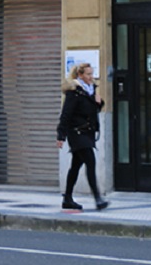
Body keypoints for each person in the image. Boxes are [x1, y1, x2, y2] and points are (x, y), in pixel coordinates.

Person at [56, 62, 109, 212]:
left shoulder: (90, 91)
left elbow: (91, 111)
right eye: (88, 74)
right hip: (77, 133)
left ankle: (67, 198)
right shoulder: (74, 92)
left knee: (75, 166)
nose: (92, 77)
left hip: (87, 133)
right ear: (80, 75)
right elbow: (66, 114)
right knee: (90, 162)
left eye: (92, 74)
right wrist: (61, 135)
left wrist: (99, 104)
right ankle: (98, 199)